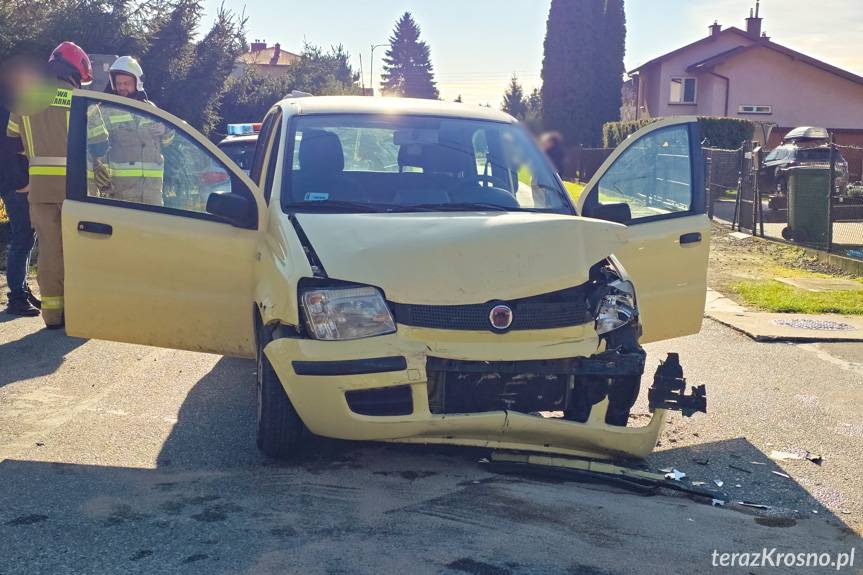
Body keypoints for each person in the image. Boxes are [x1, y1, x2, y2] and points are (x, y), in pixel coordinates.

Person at [6, 41, 93, 328]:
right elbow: (100, 144)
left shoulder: (28, 98)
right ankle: (80, 310)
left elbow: (12, 139)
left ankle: (53, 314)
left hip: (40, 190)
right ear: (73, 72)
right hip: (75, 190)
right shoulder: (79, 99)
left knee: (49, 251)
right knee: (78, 250)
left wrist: (24, 178)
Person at [95, 56, 172, 205]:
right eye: (118, 83)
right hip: (121, 195)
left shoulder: (151, 109)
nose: (122, 87)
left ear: (137, 82)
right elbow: (95, 147)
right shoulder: (106, 111)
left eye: (126, 83)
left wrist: (165, 130)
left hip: (153, 194)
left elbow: (168, 143)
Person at [1, 101, 38, 316]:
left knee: (26, 237)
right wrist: (20, 182)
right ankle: (16, 297)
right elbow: (7, 149)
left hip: (17, 183)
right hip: (16, 185)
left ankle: (21, 289)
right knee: (22, 237)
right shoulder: (7, 108)